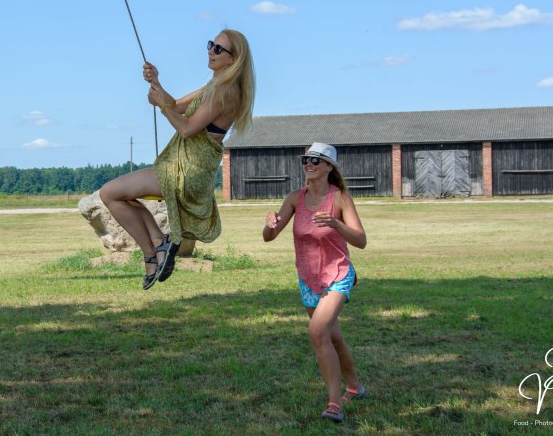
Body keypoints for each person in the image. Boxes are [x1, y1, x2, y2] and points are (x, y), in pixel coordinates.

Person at [99, 30, 255, 290]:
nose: (211, 51)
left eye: (219, 49)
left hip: (187, 171)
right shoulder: (213, 87)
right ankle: (159, 247)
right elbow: (176, 105)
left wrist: (162, 105)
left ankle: (153, 253)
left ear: (233, 59)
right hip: (183, 168)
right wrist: (157, 83)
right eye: (211, 45)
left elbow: (187, 127)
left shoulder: (225, 91)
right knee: (118, 196)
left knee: (110, 193)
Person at [263, 142, 367, 424]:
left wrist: (336, 224)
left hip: (337, 274)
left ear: (329, 167)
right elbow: (268, 237)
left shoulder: (341, 198)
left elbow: (361, 241)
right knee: (333, 337)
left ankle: (334, 404)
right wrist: (270, 223)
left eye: (316, 160)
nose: (309, 164)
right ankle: (355, 387)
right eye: (306, 159)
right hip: (308, 278)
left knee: (318, 332)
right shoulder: (296, 197)